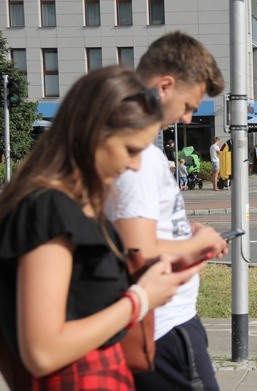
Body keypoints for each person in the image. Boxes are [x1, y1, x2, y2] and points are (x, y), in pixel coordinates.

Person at [0, 66, 205, 389]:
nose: (134, 165)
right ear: (94, 133)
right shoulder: (48, 208)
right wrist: (140, 300)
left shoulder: (72, 206)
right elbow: (42, 350)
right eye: (130, 150)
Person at [104, 31, 227, 391]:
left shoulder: (137, 150)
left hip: (164, 323)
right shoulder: (138, 155)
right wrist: (198, 242)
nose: (189, 119)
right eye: (188, 105)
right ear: (164, 86)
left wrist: (181, 236)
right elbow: (138, 249)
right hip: (164, 329)